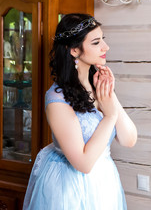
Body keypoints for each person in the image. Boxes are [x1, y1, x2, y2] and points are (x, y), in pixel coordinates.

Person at [23, 13, 137, 210]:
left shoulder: (97, 86)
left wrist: (110, 94)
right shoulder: (57, 99)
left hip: (104, 184)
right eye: (96, 42)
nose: (105, 47)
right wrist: (109, 116)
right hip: (69, 188)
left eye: (103, 39)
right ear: (74, 50)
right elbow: (83, 164)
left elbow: (129, 140)